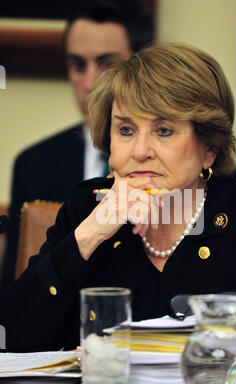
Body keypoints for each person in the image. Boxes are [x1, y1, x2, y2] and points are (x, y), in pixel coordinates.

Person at [0, 42, 236, 353]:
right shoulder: (85, 210)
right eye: (126, 130)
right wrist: (90, 235)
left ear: (209, 149)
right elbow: (10, 336)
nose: (140, 151)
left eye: (164, 131)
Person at [1, 0, 154, 287]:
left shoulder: (180, 158)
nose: (90, 83)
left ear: (140, 65)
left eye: (107, 63)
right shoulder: (33, 165)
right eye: (78, 65)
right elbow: (16, 289)